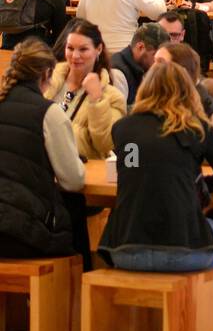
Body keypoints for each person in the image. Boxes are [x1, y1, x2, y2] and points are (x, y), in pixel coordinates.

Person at [98, 63, 213, 284]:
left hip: (124, 249)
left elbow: (134, 172)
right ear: (188, 92)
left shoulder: (123, 129)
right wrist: (196, 182)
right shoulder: (196, 128)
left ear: (144, 89)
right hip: (183, 249)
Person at [0, 39, 87, 262]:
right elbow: (73, 181)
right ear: (47, 73)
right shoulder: (48, 113)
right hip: (19, 231)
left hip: (9, 223)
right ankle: (77, 290)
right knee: (75, 208)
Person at [45, 20, 127, 159]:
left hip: (81, 171)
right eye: (70, 48)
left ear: (98, 49)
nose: (75, 56)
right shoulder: (45, 81)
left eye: (83, 49)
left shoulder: (113, 97)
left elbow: (106, 144)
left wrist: (97, 101)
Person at [109, 21, 164, 105]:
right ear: (141, 47)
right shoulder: (118, 74)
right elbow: (119, 114)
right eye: (154, 56)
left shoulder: (141, 68)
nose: (158, 63)